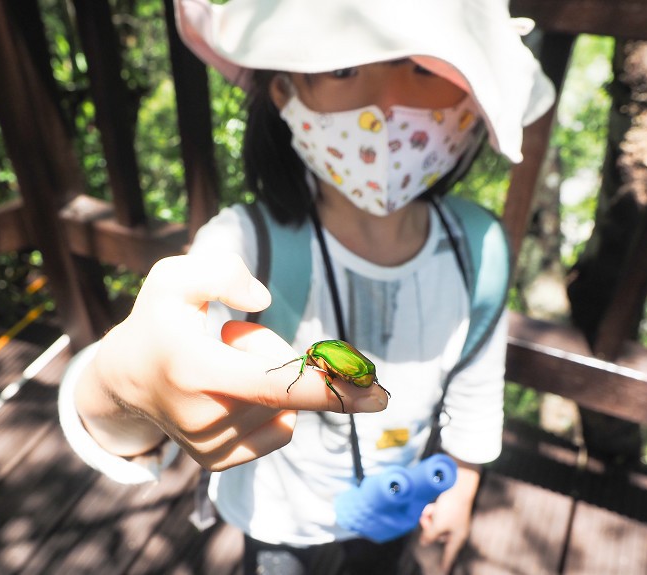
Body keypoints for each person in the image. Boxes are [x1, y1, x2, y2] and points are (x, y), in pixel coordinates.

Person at [59, 0, 554, 573]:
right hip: (281, 521)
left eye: (423, 66)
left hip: (402, 496)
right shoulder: (242, 245)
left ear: (473, 98)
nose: (387, 104)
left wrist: (462, 482)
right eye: (344, 68)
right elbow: (164, 341)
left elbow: (475, 384)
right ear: (284, 91)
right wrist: (120, 383)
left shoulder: (479, 248)